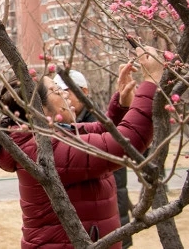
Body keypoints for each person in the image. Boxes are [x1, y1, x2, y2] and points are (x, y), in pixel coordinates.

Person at [0, 46, 164, 248]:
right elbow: (126, 142)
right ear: (39, 109)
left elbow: (100, 130)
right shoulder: (44, 148)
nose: (65, 94)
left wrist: (122, 105)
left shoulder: (54, 134)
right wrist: (152, 81)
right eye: (56, 90)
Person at [54, 70, 133, 248]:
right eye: (59, 91)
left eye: (68, 90)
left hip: (106, 218)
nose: (63, 95)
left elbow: (117, 179)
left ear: (85, 92)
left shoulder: (99, 122)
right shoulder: (62, 125)